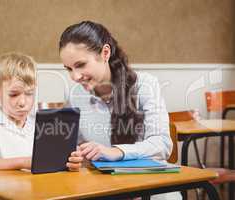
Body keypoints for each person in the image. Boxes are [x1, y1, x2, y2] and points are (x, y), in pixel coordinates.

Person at [59, 21, 181, 200]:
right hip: (105, 190)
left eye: (81, 65)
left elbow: (162, 144)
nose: (75, 76)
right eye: (69, 69)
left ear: (105, 53)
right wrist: (74, 155)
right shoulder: (75, 96)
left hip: (151, 190)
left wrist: (116, 152)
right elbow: (69, 146)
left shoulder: (145, 85)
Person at [0, 52, 82, 174]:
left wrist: (70, 163)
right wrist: (22, 162)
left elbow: (52, 164)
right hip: (5, 191)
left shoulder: (41, 124)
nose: (22, 102)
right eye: (14, 94)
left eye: (29, 93)